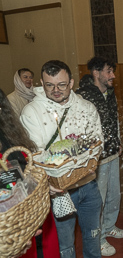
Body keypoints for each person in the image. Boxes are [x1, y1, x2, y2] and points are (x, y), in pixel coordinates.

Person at [21, 60, 104, 258]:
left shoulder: (85, 106)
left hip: (89, 185)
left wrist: (86, 159)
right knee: (65, 247)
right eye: (49, 85)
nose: (56, 90)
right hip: (58, 192)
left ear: (71, 82)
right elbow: (34, 154)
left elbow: (97, 141)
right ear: (41, 83)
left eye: (62, 85)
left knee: (93, 237)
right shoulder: (31, 112)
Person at [75, 57, 123, 256]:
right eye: (108, 71)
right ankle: (99, 238)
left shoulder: (109, 92)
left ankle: (109, 226)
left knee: (114, 195)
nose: (113, 75)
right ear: (96, 73)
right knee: (99, 199)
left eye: (112, 71)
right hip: (96, 159)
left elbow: (113, 120)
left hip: (112, 151)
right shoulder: (83, 96)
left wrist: (118, 141)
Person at [0, 89, 60, 258]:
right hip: (7, 225)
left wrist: (41, 186)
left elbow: (24, 170)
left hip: (28, 211)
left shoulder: (9, 134)